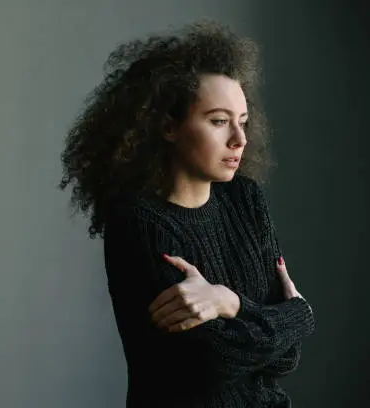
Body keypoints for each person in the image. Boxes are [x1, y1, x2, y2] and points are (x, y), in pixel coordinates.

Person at [59, 20, 315, 407]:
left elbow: (286, 358)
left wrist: (231, 303)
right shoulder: (141, 223)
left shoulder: (244, 198)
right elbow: (212, 364)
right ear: (168, 126)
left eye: (243, 122)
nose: (240, 140)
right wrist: (296, 314)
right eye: (218, 121)